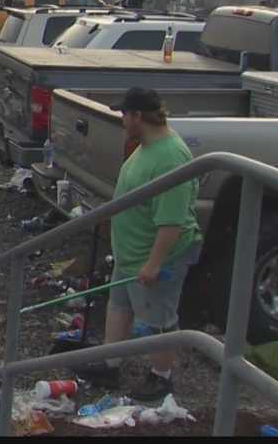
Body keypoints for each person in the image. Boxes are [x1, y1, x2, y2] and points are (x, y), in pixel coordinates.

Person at [76, 87, 202, 402]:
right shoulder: (145, 146)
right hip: (129, 253)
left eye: (124, 114)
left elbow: (171, 222)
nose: (121, 120)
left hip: (156, 256)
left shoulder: (171, 157)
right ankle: (111, 363)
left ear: (137, 116)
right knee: (119, 305)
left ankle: (161, 377)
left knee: (158, 317)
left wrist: (154, 263)